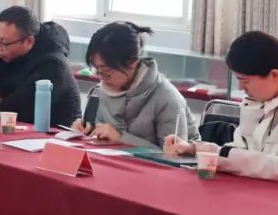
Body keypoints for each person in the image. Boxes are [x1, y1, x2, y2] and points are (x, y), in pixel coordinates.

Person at [165, 32, 278, 186]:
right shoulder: (262, 101)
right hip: (258, 190)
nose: (240, 87)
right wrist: (195, 149)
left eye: (245, 81)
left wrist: (224, 159)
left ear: (274, 75)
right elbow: (240, 151)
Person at [70, 22, 199, 148]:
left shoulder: (167, 98)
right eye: (96, 69)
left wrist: (121, 139)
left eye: (107, 70)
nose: (101, 76)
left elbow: (175, 156)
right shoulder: (103, 90)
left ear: (132, 62)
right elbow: (105, 134)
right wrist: (88, 130)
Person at [0, 6, 81, 127]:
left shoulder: (53, 65)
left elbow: (16, 110)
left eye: (4, 42)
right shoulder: (4, 52)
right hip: (12, 129)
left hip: (51, 134)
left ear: (29, 41)